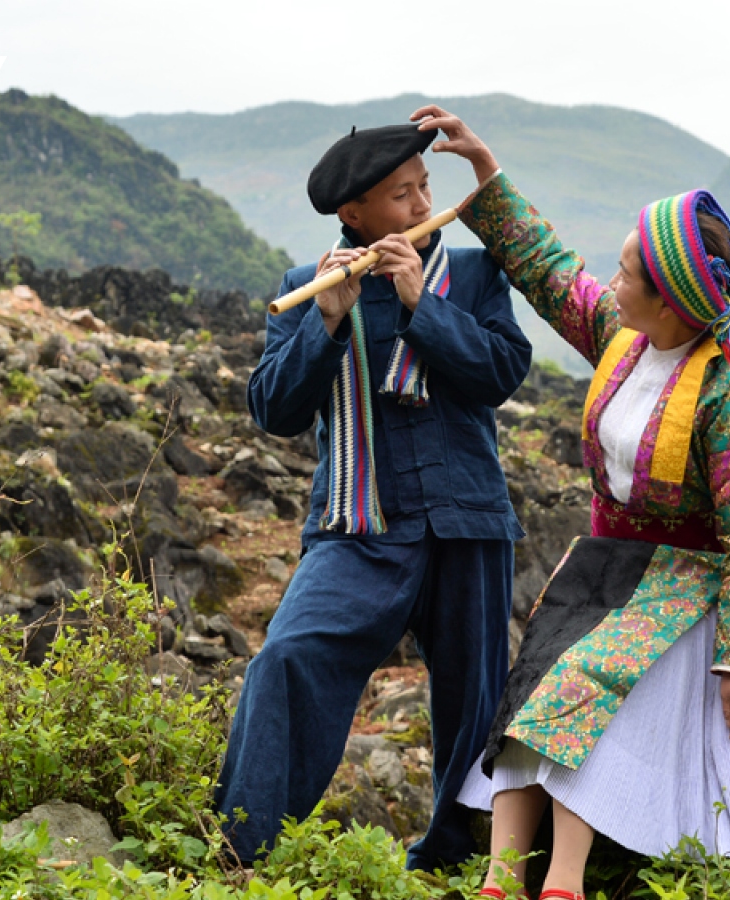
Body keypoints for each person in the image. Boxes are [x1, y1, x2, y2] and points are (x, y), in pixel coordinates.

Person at [411, 105, 730, 900]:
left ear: (667, 302)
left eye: (627, 271)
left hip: (682, 584)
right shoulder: (621, 339)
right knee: (531, 688)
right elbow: (549, 271)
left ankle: (562, 883)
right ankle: (501, 878)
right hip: (601, 571)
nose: (611, 280)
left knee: (583, 687)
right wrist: (486, 175)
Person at [215, 122, 534, 870]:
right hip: (357, 525)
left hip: (466, 519)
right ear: (353, 214)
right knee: (287, 657)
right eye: (402, 194)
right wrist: (327, 319)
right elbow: (274, 410)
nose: (422, 203)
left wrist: (425, 303)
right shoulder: (308, 284)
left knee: (474, 702)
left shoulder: (474, 275)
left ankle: (455, 860)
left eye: (424, 186)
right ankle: (242, 850)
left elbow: (500, 373)